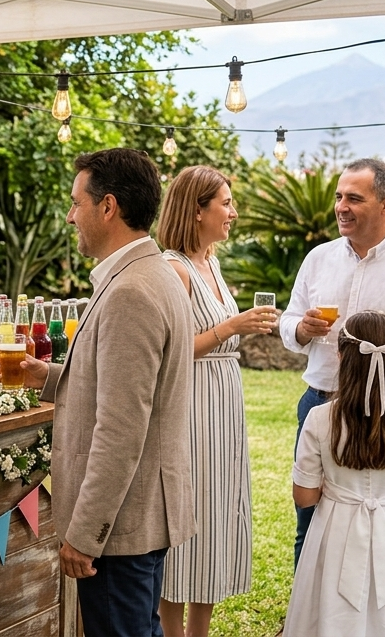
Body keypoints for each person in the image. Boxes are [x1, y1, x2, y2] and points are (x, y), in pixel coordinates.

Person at [20, 148, 195, 637]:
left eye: (77, 202)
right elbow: (129, 387)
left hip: (120, 528)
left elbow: (121, 427)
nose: (71, 215)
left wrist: (84, 534)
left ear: (108, 207)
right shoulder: (150, 273)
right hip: (136, 516)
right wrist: (50, 376)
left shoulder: (130, 292)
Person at [278, 158, 385, 568]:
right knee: (311, 522)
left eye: (354, 198)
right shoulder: (318, 258)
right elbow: (288, 320)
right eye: (339, 197)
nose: (341, 206)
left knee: (381, 523)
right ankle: (307, 622)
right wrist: (301, 329)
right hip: (320, 404)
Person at [154, 166, 278, 637]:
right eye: (225, 203)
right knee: (190, 515)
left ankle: (200, 633)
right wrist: (232, 326)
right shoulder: (173, 269)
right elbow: (172, 349)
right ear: (196, 210)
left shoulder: (212, 262)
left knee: (218, 511)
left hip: (223, 403)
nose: (234, 212)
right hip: (191, 405)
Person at [287, 310, 385, 637]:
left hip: (335, 532)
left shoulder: (319, 419)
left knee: (333, 615)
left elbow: (304, 497)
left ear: (341, 356)